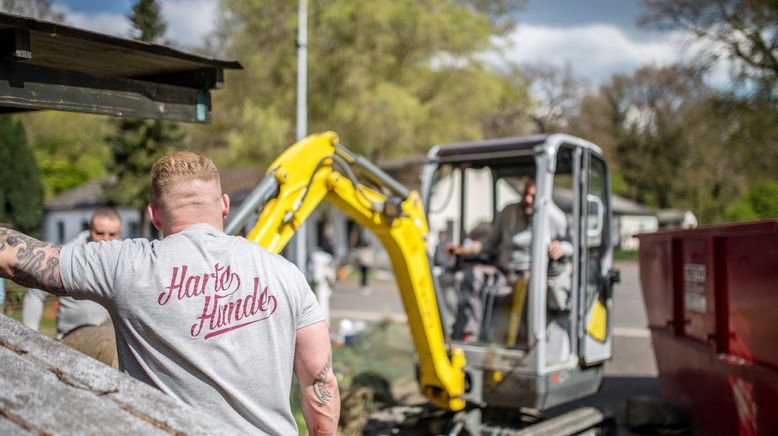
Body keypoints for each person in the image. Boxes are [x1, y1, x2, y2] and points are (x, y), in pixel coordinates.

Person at [0, 151, 339, 435]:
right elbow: (320, 385)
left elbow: (19, 260)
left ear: (155, 215)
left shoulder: (126, 265)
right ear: (224, 205)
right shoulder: (285, 274)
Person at [448, 178, 572, 346]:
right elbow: (490, 242)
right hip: (503, 273)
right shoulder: (509, 212)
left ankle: (526, 340)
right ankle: (468, 333)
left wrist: (562, 248)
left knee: (535, 290)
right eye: (525, 194)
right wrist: (465, 249)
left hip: (530, 275)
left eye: (533, 196)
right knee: (471, 275)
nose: (528, 199)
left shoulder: (555, 217)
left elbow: (571, 245)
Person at [22, 208, 121, 340]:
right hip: (73, 334)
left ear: (120, 233)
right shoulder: (70, 254)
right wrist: (30, 336)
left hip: (107, 331)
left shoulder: (122, 256)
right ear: (90, 228)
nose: (105, 240)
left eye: (112, 234)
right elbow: (36, 292)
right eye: (100, 233)